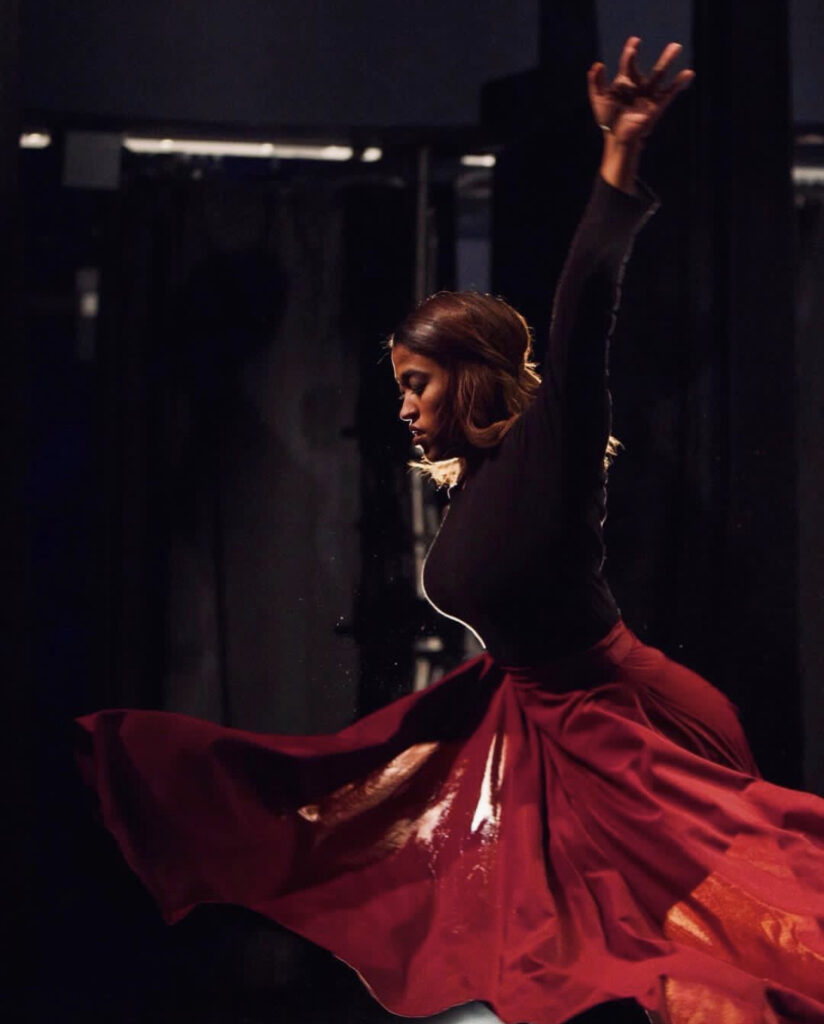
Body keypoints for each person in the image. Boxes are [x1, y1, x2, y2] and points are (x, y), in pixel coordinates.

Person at [75, 38, 824, 1024]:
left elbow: (582, 309)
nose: (403, 406)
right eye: (398, 387)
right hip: (543, 740)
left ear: (468, 378)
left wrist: (618, 158)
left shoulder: (548, 452)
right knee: (593, 960)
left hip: (630, 729)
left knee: (728, 955)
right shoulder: (470, 487)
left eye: (416, 384)